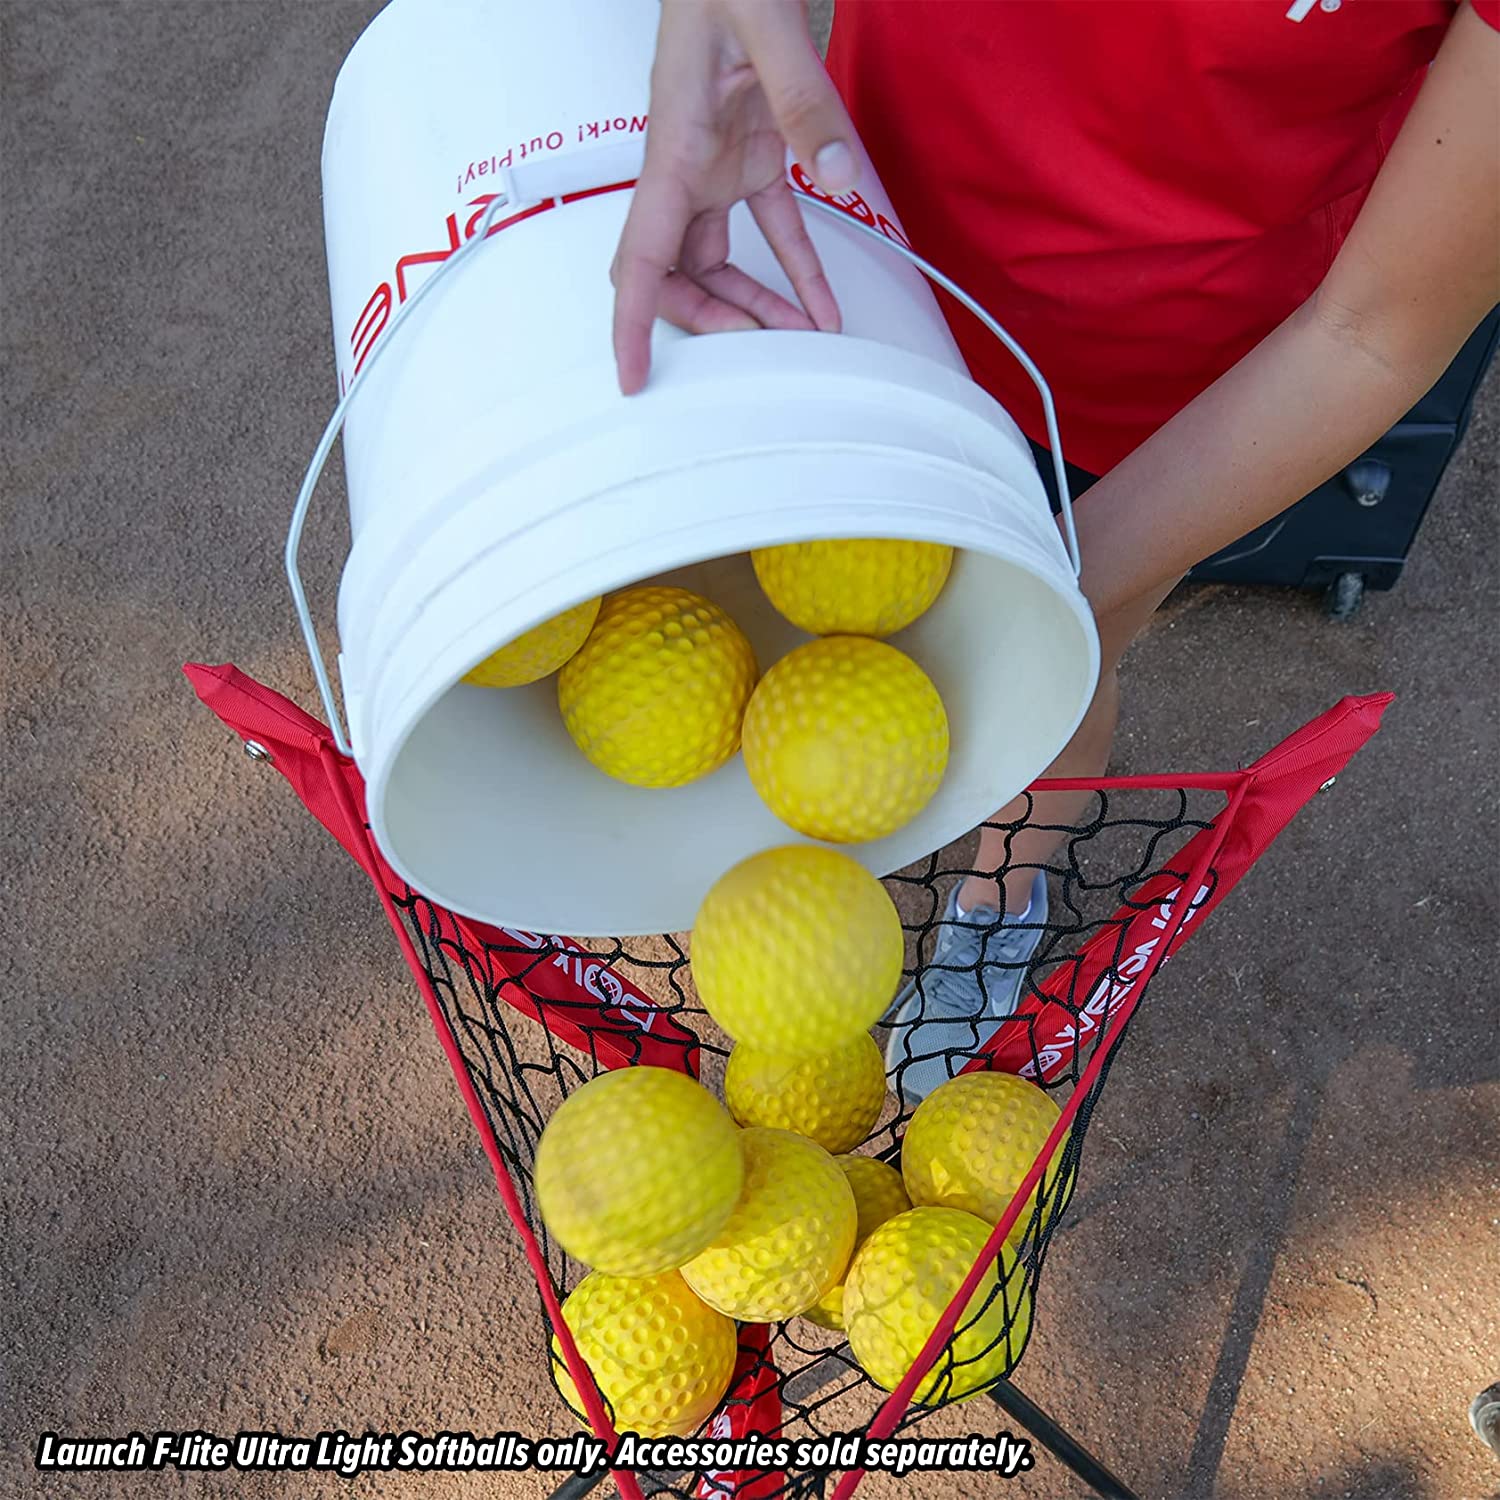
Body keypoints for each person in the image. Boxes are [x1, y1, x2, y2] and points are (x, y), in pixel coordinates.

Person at [610, 1, 1500, 1101]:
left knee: (1059, 673)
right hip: (850, 256)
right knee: (770, 623)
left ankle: (994, 907)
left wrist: (1053, 589)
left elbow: (1379, 328)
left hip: (1161, 398)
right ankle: (793, 892)